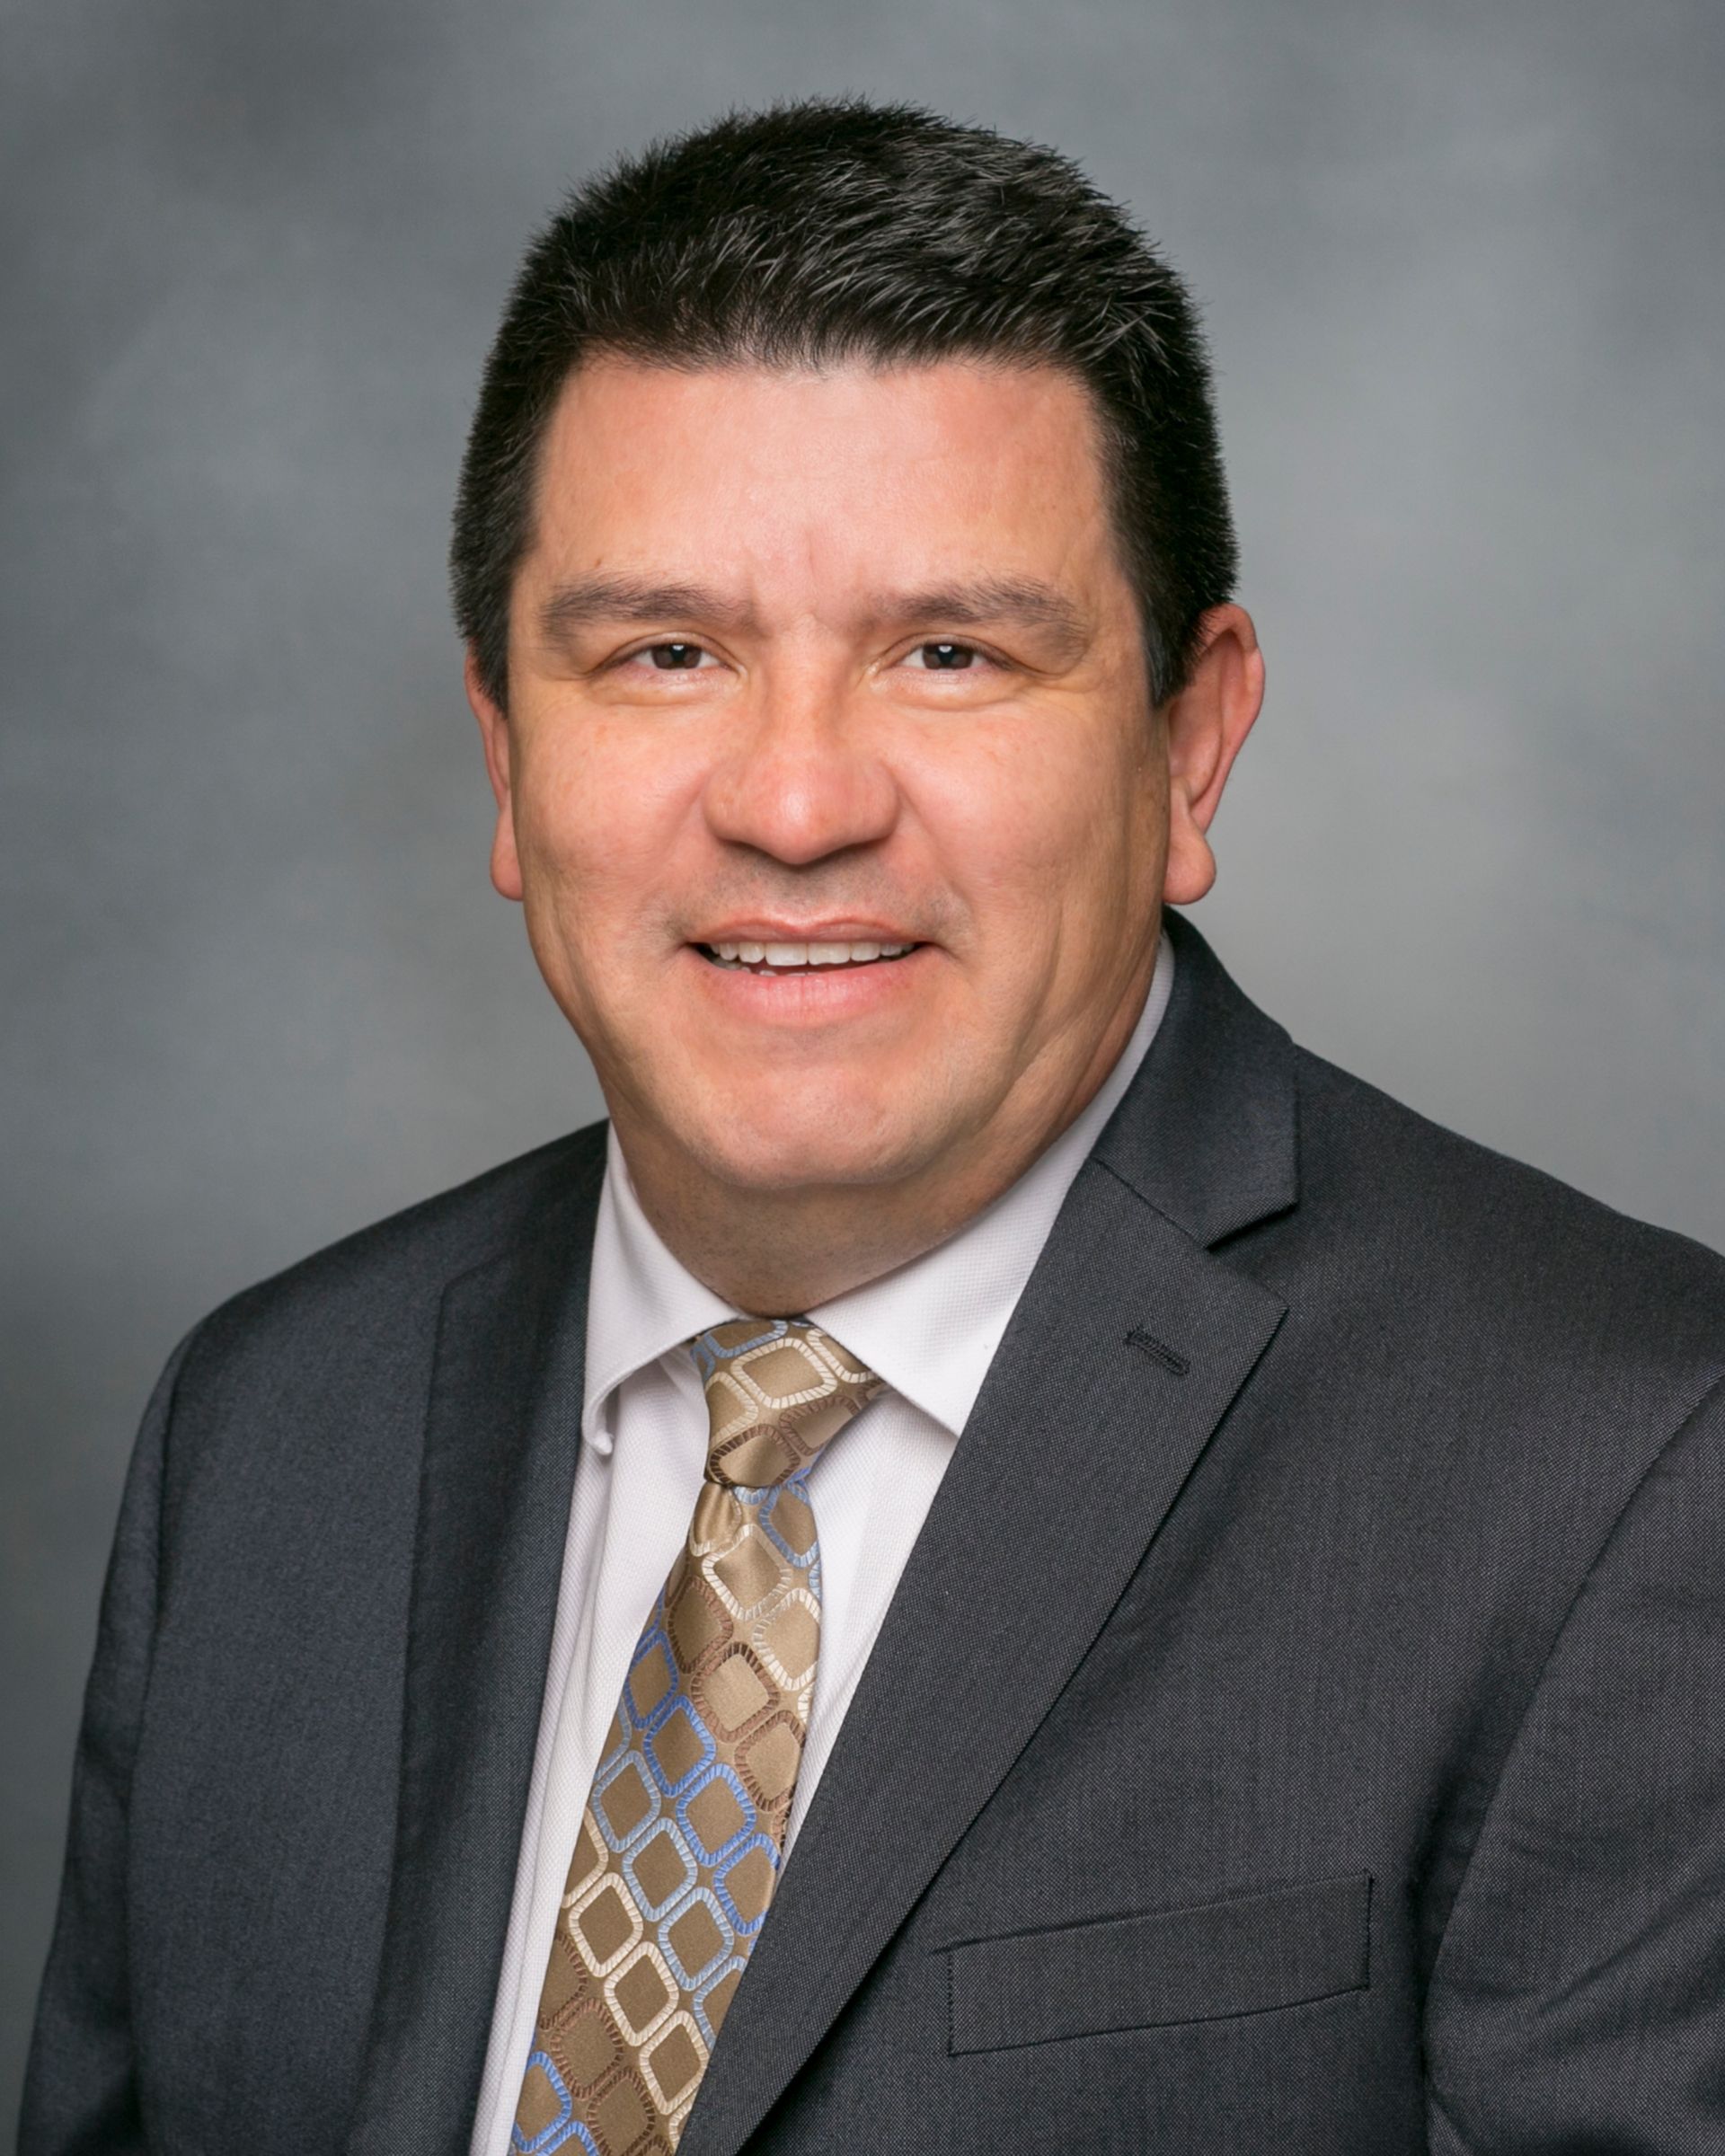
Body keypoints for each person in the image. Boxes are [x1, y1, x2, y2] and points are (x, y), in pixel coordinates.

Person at [22, 95, 1725, 2156]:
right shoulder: (270, 1429)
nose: (799, 802)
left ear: (1191, 741)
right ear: (504, 753)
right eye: (665, 653)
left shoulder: (1628, 1465)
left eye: (949, 651)